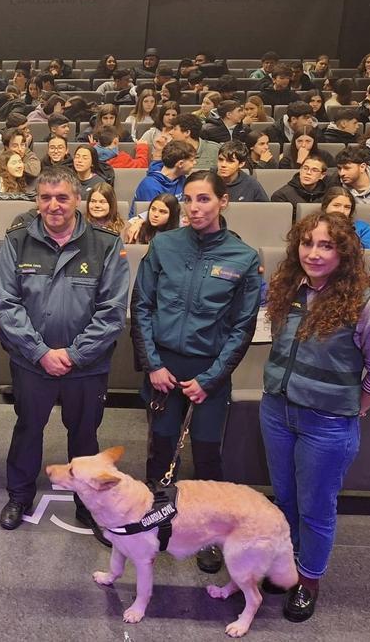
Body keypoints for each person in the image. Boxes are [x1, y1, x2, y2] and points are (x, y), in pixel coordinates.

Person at [261, 212, 370, 623]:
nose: (315, 253)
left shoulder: (369, 303)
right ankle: (288, 566)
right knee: (285, 499)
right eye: (307, 244)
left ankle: (309, 580)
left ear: (345, 252)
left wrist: (357, 407)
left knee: (315, 507)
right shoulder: (288, 289)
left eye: (326, 245)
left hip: (328, 423)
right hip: (277, 411)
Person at [130, 170, 262, 574]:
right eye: (188, 199)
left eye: (204, 199)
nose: (194, 208)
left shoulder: (244, 257)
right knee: (161, 447)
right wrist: (153, 365)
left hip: (209, 370)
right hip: (164, 366)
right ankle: (152, 528)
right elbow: (142, 308)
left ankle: (209, 533)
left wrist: (211, 379)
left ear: (224, 201)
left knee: (207, 454)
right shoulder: (164, 246)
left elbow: (243, 328)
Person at [0, 166, 129, 533]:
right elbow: (6, 303)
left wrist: (73, 355)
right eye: (45, 198)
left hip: (86, 366)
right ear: (37, 201)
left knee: (84, 435)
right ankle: (20, 495)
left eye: (62, 198)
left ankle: (88, 502)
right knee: (28, 429)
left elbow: (112, 310)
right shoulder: (18, 240)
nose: (53, 206)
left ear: (78, 200)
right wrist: (40, 352)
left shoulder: (105, 242)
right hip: (31, 363)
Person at [133, 140, 196, 207]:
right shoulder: (150, 186)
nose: (195, 163)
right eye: (192, 160)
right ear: (180, 164)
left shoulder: (181, 178)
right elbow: (153, 215)